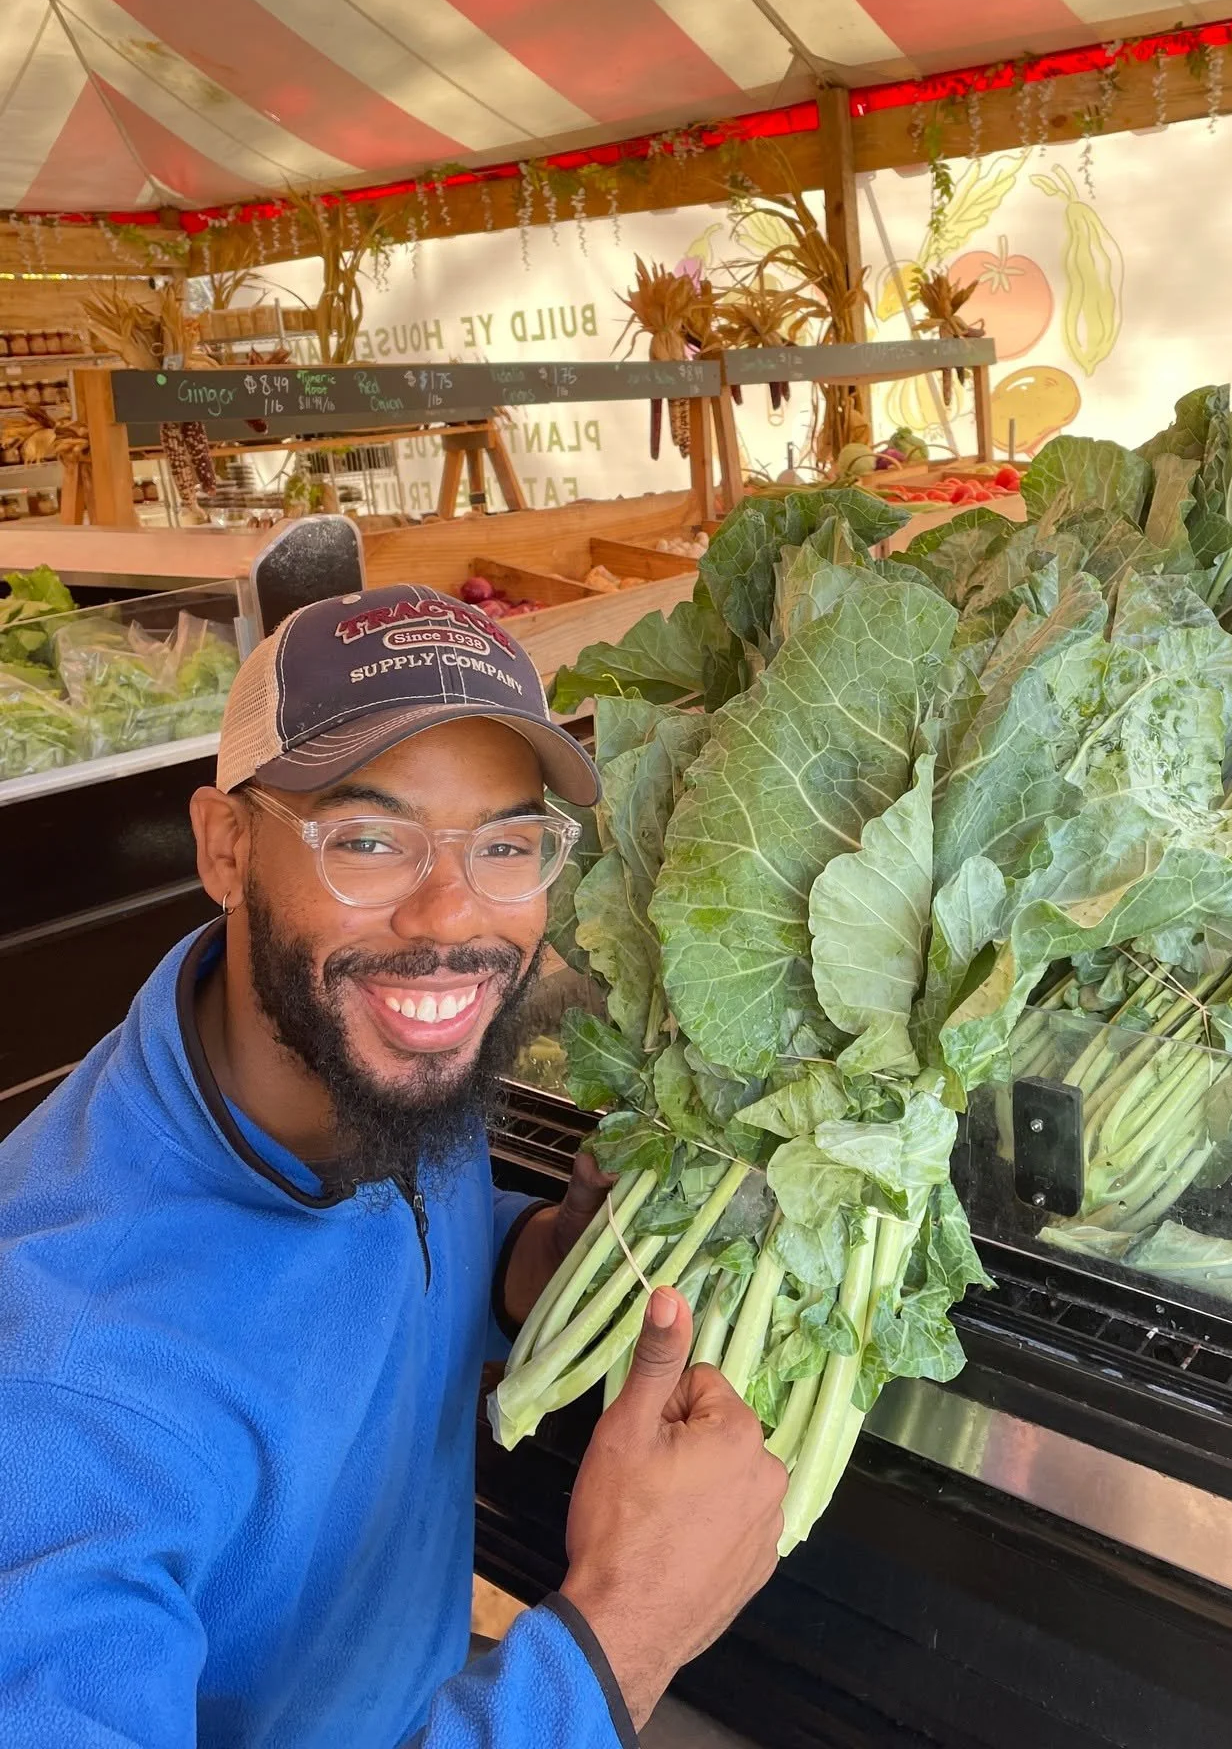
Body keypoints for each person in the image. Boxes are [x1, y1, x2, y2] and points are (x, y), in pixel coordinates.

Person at [0, 584, 786, 1747]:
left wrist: (529, 1260)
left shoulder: (365, 1056)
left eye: (507, 843)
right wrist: (621, 1637)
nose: (451, 916)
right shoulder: (64, 1379)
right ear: (224, 847)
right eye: (367, 839)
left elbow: (365, 1278)